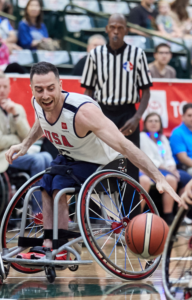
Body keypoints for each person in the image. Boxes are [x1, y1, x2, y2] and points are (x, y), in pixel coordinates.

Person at [5, 62, 185, 260]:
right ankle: (50, 244)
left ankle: (62, 248)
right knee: (46, 182)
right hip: (71, 158)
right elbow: (42, 120)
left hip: (104, 162)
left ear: (60, 84)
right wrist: (25, 144)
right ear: (32, 89)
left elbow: (125, 146)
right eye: (39, 90)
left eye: (50, 88)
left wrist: (157, 176)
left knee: (58, 183)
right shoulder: (38, 101)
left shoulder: (83, 112)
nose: (45, 95)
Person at [81, 13, 152, 219]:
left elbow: (146, 91)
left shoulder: (137, 55)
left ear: (126, 30)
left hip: (128, 114)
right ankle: (93, 222)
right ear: (106, 29)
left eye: (120, 28)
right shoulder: (95, 55)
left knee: (131, 168)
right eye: (112, 27)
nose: (116, 31)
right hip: (101, 113)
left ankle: (131, 223)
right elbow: (88, 92)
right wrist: (88, 117)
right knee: (96, 166)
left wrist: (137, 117)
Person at [0, 73, 52, 213]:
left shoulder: (17, 108)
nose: (1, 90)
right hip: (0, 156)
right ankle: (38, 212)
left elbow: (28, 137)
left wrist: (16, 115)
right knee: (37, 160)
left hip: (17, 153)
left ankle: (49, 208)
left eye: (4, 86)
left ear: (9, 88)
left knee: (47, 157)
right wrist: (18, 140)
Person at [139, 112, 191, 225]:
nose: (154, 123)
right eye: (150, 121)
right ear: (145, 123)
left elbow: (168, 157)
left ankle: (176, 215)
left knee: (181, 178)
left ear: (160, 124)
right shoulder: (142, 137)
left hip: (164, 169)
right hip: (148, 169)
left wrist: (172, 167)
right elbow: (149, 159)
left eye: (156, 121)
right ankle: (139, 216)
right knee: (166, 179)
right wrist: (170, 170)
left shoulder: (161, 138)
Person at [170, 103, 192, 177]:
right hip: (186, 168)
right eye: (189, 115)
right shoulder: (177, 133)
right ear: (183, 117)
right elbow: (183, 158)